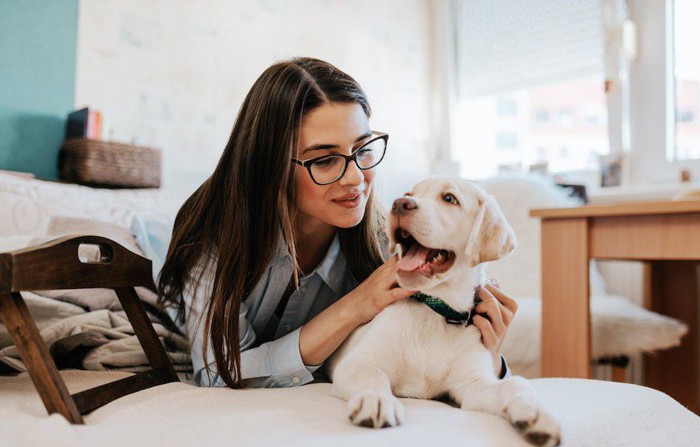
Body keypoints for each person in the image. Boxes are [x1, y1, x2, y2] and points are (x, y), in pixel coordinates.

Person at [156, 57, 518, 389]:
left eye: (363, 150)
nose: (355, 179)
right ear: (271, 167)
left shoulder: (382, 241)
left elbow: (423, 356)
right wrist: (354, 306)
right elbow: (219, 373)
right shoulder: (215, 234)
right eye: (326, 160)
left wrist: (489, 352)